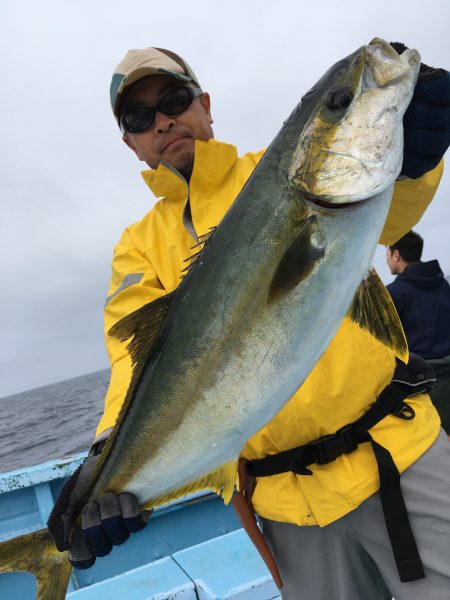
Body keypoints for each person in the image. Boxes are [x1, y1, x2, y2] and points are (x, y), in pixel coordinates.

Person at [48, 45, 450, 599]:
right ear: (131, 143)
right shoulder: (138, 248)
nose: (163, 119)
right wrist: (103, 465)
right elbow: (133, 363)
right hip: (288, 510)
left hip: (403, 462)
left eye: (174, 99)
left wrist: (417, 161)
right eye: (140, 118)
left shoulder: (280, 169)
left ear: (205, 106)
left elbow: (386, 201)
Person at [386, 230, 450, 434]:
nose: (386, 259)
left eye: (387, 253)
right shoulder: (443, 285)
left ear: (396, 254)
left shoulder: (394, 294)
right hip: (447, 376)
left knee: (429, 442)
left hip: (419, 383)